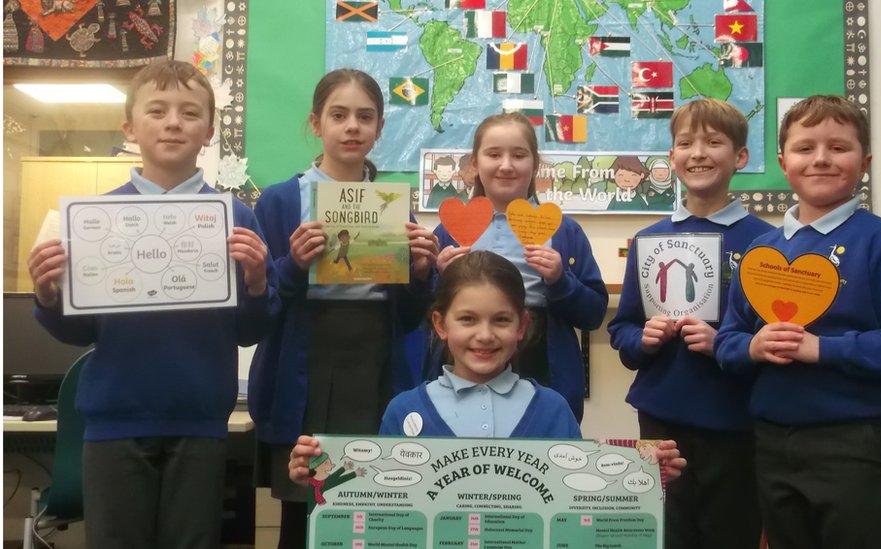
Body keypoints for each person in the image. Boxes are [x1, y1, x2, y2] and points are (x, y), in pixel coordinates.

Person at [27, 59, 279, 549]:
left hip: (200, 419)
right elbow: (80, 333)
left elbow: (252, 328)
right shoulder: (93, 217)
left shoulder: (236, 216)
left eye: (189, 113)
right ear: (129, 128)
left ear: (208, 131)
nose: (172, 123)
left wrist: (255, 281)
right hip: (116, 419)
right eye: (157, 110)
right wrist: (47, 294)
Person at [715, 95, 881, 549]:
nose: (821, 159)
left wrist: (824, 349)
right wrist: (752, 348)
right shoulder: (763, 250)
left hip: (854, 444)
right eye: (805, 148)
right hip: (773, 442)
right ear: (783, 161)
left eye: (838, 148)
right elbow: (727, 341)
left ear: (865, 161)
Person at [247, 68, 439, 549]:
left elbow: (412, 313)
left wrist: (421, 272)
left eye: (365, 116)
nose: (352, 126)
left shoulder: (393, 204)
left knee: (374, 508)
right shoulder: (280, 200)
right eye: (339, 115)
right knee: (307, 507)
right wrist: (292, 265)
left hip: (378, 364)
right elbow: (261, 308)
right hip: (304, 365)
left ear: (379, 129)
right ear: (316, 124)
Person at [288, 251, 685, 478]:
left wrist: (644, 479)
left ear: (521, 326)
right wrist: (320, 472)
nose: (484, 335)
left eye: (500, 320)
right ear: (441, 325)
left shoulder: (551, 409)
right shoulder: (404, 410)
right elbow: (375, 495)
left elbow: (578, 496)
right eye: (467, 319)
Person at [607, 98, 772, 549]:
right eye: (685, 143)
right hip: (661, 413)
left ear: (740, 157)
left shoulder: (766, 243)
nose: (698, 152)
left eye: (713, 142)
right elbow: (621, 332)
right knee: (665, 530)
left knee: (730, 530)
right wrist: (644, 338)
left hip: (734, 418)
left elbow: (774, 334)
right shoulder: (649, 239)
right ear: (672, 158)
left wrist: (726, 343)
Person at [431, 113, 608, 421]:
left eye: (519, 155)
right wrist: (437, 278)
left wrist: (560, 280)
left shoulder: (564, 232)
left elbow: (593, 314)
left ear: (535, 164)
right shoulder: (449, 231)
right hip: (469, 355)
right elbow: (428, 313)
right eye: (493, 154)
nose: (506, 165)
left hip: (542, 362)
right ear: (474, 163)